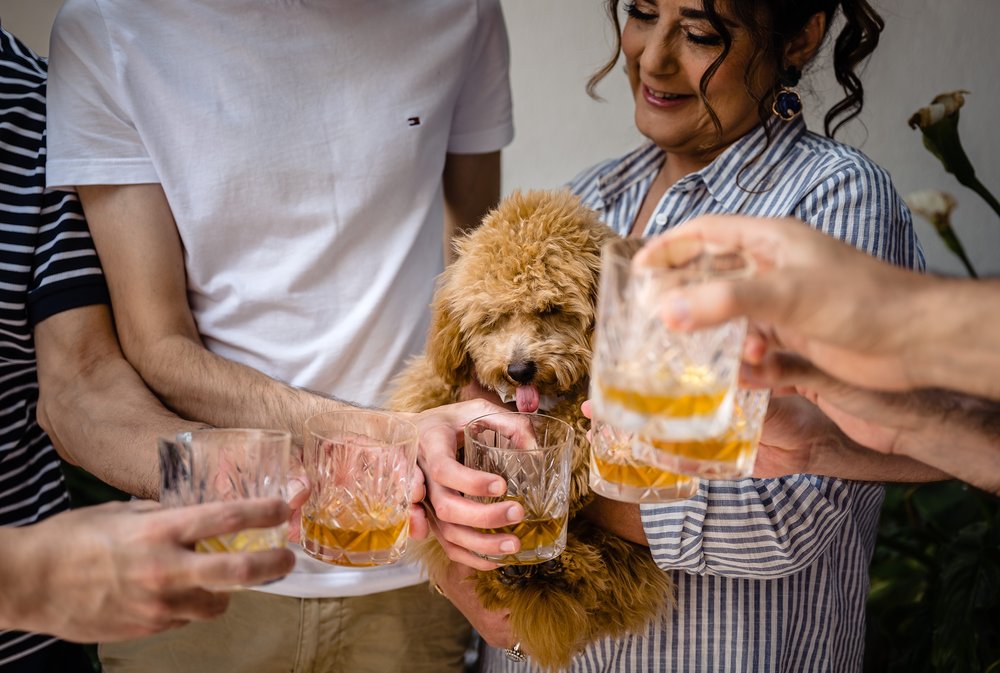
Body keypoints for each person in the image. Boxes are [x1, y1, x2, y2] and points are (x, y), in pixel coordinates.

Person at [45, 1, 519, 671]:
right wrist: (381, 438)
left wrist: (470, 470)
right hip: (205, 558)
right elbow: (158, 346)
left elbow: (479, 278)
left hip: (411, 559)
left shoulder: (460, 12)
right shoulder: (109, 26)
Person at [472, 0, 925, 670]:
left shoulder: (833, 201)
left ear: (800, 35)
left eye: (699, 34)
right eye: (642, 13)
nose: (653, 57)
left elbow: (784, 512)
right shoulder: (585, 202)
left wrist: (534, 488)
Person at [0, 25, 294, 672]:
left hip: (40, 648)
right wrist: (25, 574)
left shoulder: (29, 99)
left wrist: (205, 460)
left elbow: (82, 379)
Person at [635, 213, 1000, 493]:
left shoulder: (838, 190)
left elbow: (786, 527)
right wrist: (821, 445)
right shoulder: (598, 187)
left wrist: (897, 318)